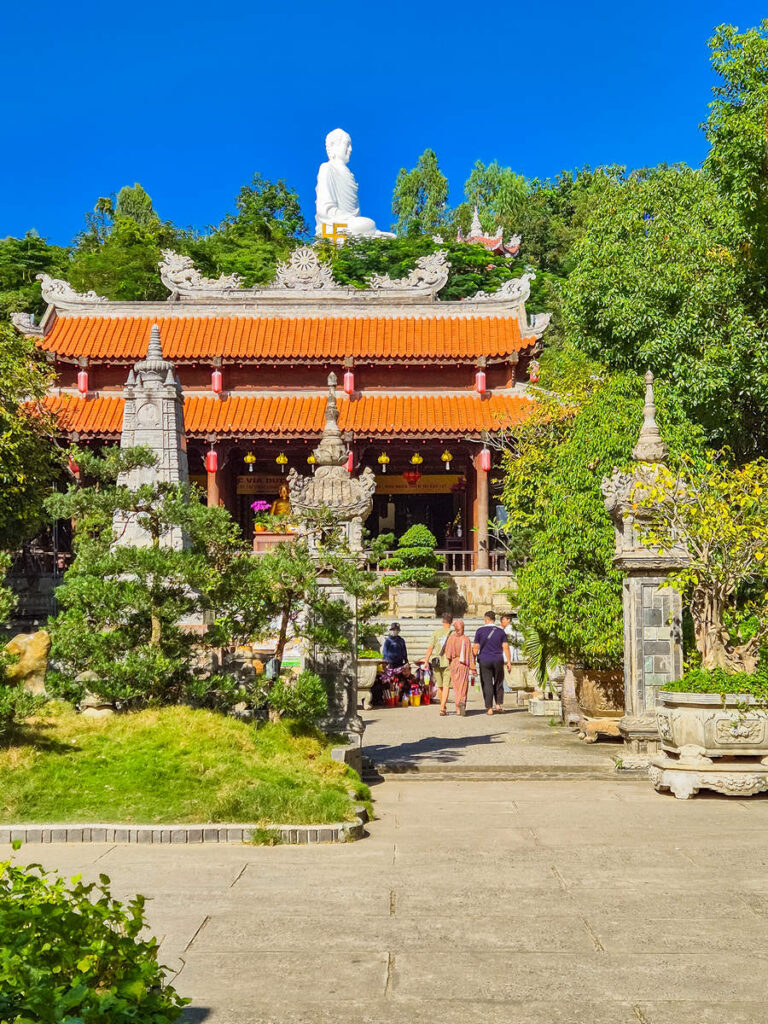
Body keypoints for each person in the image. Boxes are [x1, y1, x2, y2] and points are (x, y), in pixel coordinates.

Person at [473, 610, 511, 716]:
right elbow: (506, 647)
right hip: (498, 659)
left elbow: (475, 648)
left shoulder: (480, 631)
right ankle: (498, 704)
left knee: (487, 683)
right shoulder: (501, 632)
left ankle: (489, 708)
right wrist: (509, 661)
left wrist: (472, 661)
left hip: (484, 660)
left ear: (486, 619)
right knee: (499, 682)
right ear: (494, 619)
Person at [424, 613, 453, 716]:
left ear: (442, 621)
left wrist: (426, 661)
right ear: (451, 622)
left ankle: (443, 706)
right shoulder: (453, 633)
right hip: (448, 662)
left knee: (440, 686)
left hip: (436, 662)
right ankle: (442, 707)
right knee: (446, 685)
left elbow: (430, 648)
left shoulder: (436, 633)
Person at [444, 619, 474, 716]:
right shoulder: (466, 639)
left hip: (454, 663)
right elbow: (470, 655)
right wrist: (473, 668)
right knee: (463, 685)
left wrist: (451, 662)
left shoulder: (451, 638)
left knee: (456, 686)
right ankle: (462, 701)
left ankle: (457, 708)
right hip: (463, 664)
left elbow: (448, 654)